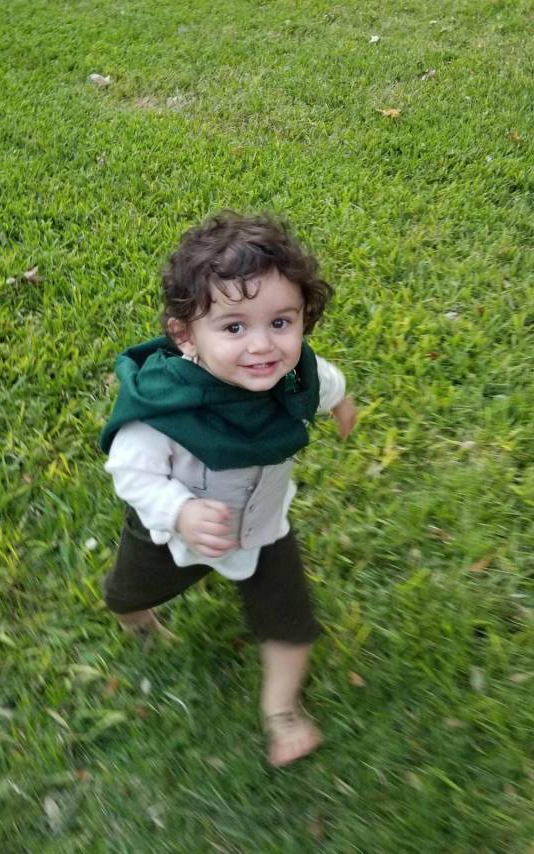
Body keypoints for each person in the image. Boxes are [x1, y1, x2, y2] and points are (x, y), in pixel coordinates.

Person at [99, 212, 357, 767]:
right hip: (176, 535)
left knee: (290, 623)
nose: (262, 345)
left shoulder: (292, 377)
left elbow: (324, 381)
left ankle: (281, 711)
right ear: (185, 336)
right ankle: (139, 623)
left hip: (263, 529)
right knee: (128, 594)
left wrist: (341, 402)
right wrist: (179, 512)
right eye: (234, 328)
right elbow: (130, 470)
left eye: (281, 322)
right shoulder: (165, 408)